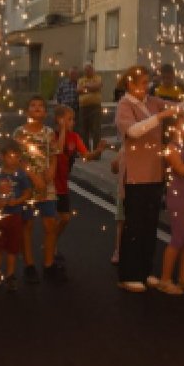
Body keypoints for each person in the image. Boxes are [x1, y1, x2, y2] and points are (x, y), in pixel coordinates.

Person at [114, 65, 183, 292]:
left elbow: (178, 107)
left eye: (147, 82)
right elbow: (133, 131)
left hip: (155, 172)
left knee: (150, 225)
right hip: (136, 175)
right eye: (143, 83)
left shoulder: (152, 102)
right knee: (135, 225)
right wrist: (160, 117)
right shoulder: (125, 105)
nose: (147, 86)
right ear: (130, 85)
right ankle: (128, 274)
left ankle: (145, 270)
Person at [13, 96, 59, 283]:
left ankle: (48, 264)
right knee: (27, 224)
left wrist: (52, 169)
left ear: (46, 112)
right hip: (26, 185)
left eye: (41, 106)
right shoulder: (20, 133)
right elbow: (17, 159)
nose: (37, 108)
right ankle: (29, 264)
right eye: (33, 105)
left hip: (46, 185)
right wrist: (32, 176)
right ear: (27, 111)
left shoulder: (49, 133)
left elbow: (54, 154)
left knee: (50, 224)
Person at [53, 105, 106, 254]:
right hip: (50, 184)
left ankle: (52, 241)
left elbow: (86, 156)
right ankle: (51, 248)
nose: (73, 122)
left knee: (65, 218)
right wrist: (62, 129)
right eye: (69, 119)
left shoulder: (75, 137)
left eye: (73, 119)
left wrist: (97, 151)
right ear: (59, 120)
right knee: (49, 220)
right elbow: (58, 149)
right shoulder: (51, 135)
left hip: (62, 184)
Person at [158, 113, 184, 295]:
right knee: (178, 237)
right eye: (182, 124)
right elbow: (180, 170)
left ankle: (183, 277)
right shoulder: (171, 148)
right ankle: (165, 279)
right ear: (173, 128)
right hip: (179, 196)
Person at [0, 140, 32, 293]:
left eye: (17, 157)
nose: (14, 160)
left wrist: (17, 201)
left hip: (15, 215)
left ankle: (10, 275)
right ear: (3, 157)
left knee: (13, 248)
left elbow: (27, 192)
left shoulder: (21, 175)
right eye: (11, 157)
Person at [77, 62, 103, 150]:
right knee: (84, 130)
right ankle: (86, 151)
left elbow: (97, 86)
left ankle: (96, 152)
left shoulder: (98, 78)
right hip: (83, 107)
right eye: (86, 70)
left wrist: (85, 88)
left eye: (89, 70)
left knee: (96, 130)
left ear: (92, 70)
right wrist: (89, 88)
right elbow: (78, 90)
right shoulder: (81, 80)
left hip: (95, 107)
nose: (87, 72)